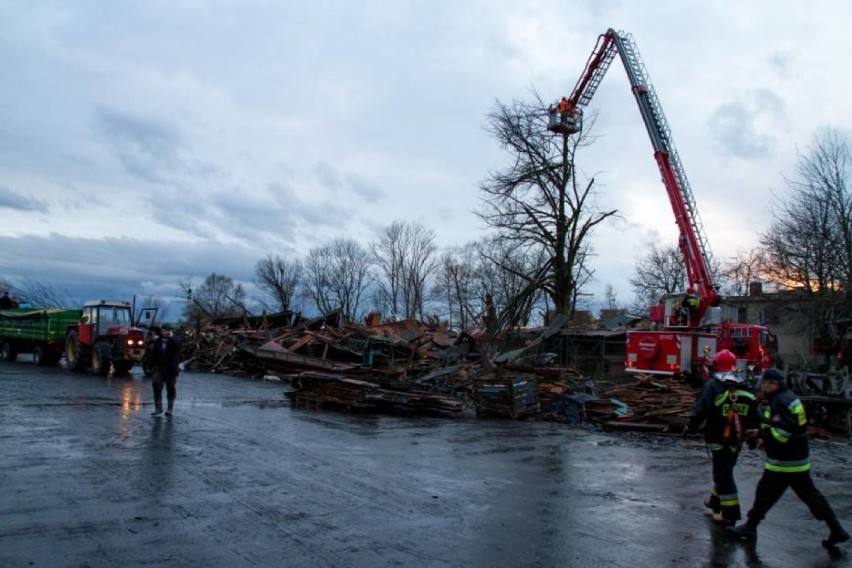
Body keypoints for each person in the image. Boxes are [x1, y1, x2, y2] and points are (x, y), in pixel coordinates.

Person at [727, 369, 850, 549]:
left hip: (784, 462)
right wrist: (761, 433)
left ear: (773, 384)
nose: (763, 386)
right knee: (811, 498)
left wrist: (764, 436)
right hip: (797, 460)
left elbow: (783, 433)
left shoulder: (779, 402)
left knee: (764, 494)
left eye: (765, 383)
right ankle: (837, 530)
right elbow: (784, 427)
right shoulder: (788, 397)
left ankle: (750, 528)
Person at [685, 349, 759, 526]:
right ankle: (714, 500)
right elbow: (754, 415)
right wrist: (753, 437)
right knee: (725, 471)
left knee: (723, 475)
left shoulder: (713, 386)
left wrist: (690, 427)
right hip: (737, 440)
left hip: (717, 438)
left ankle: (730, 514)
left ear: (715, 365)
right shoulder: (745, 385)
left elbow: (701, 409)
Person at [150, 328, 182, 417]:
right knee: (156, 385)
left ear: (170, 331)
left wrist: (171, 338)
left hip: (171, 368)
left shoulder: (176, 340)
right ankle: (158, 408)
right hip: (158, 367)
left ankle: (170, 408)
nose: (165, 333)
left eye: (167, 331)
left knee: (170, 387)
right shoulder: (158, 341)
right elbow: (153, 354)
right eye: (163, 331)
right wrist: (151, 366)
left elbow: (177, 347)